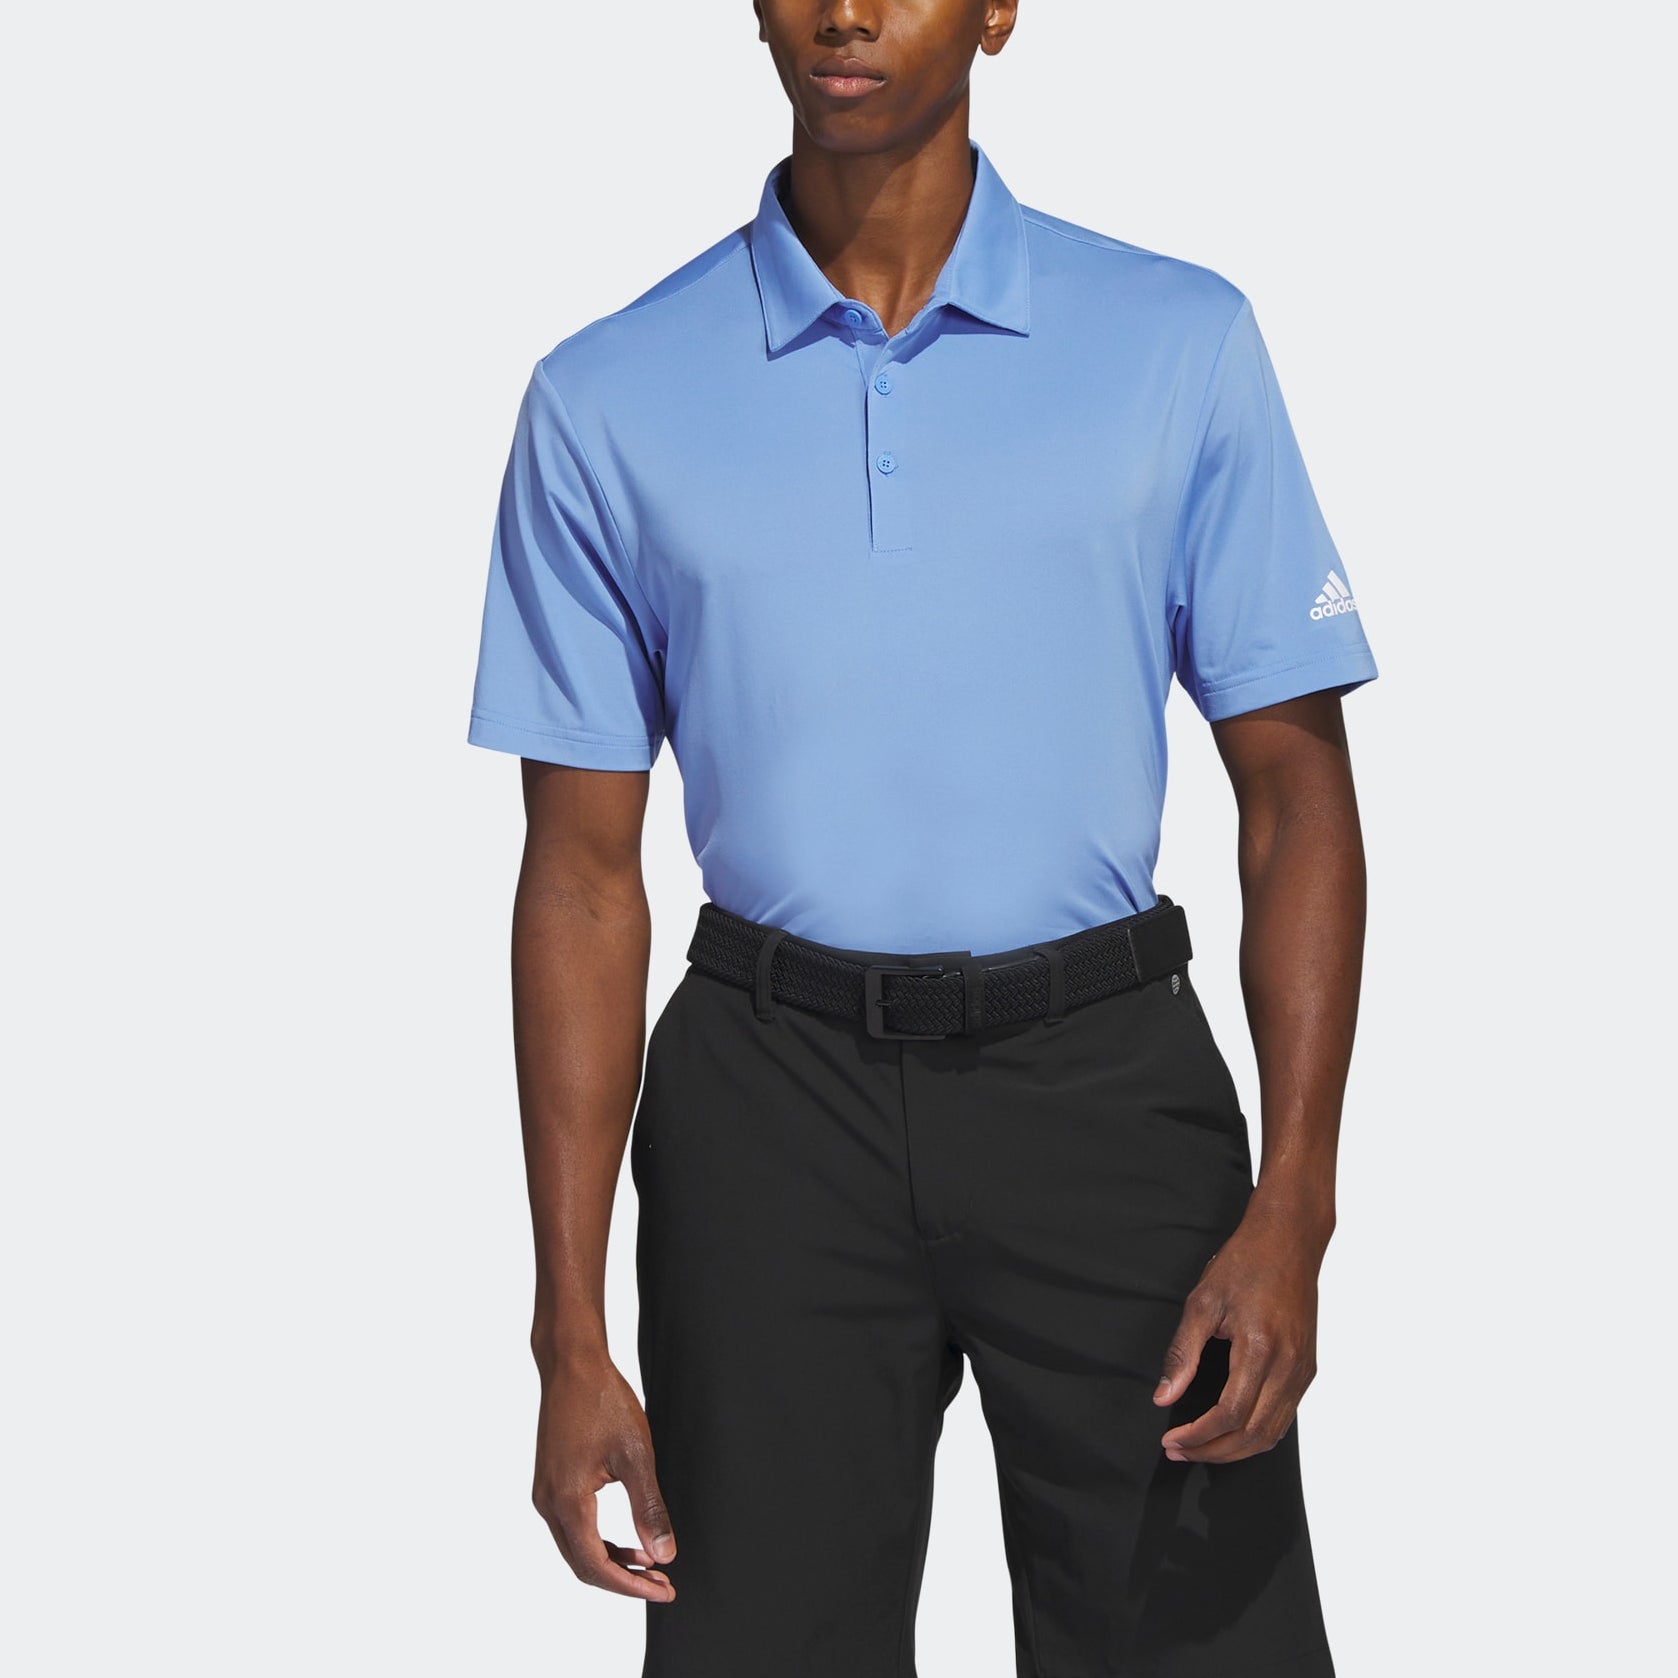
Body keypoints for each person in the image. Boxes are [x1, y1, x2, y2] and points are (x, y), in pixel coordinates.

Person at [466, 3, 1376, 1673]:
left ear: (1000, 9)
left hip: (1106, 1091)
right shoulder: (607, 396)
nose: (846, 8)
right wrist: (567, 1331)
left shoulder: (1176, 342)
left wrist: (1295, 1205)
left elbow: (1296, 796)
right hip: (769, 1107)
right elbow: (582, 881)